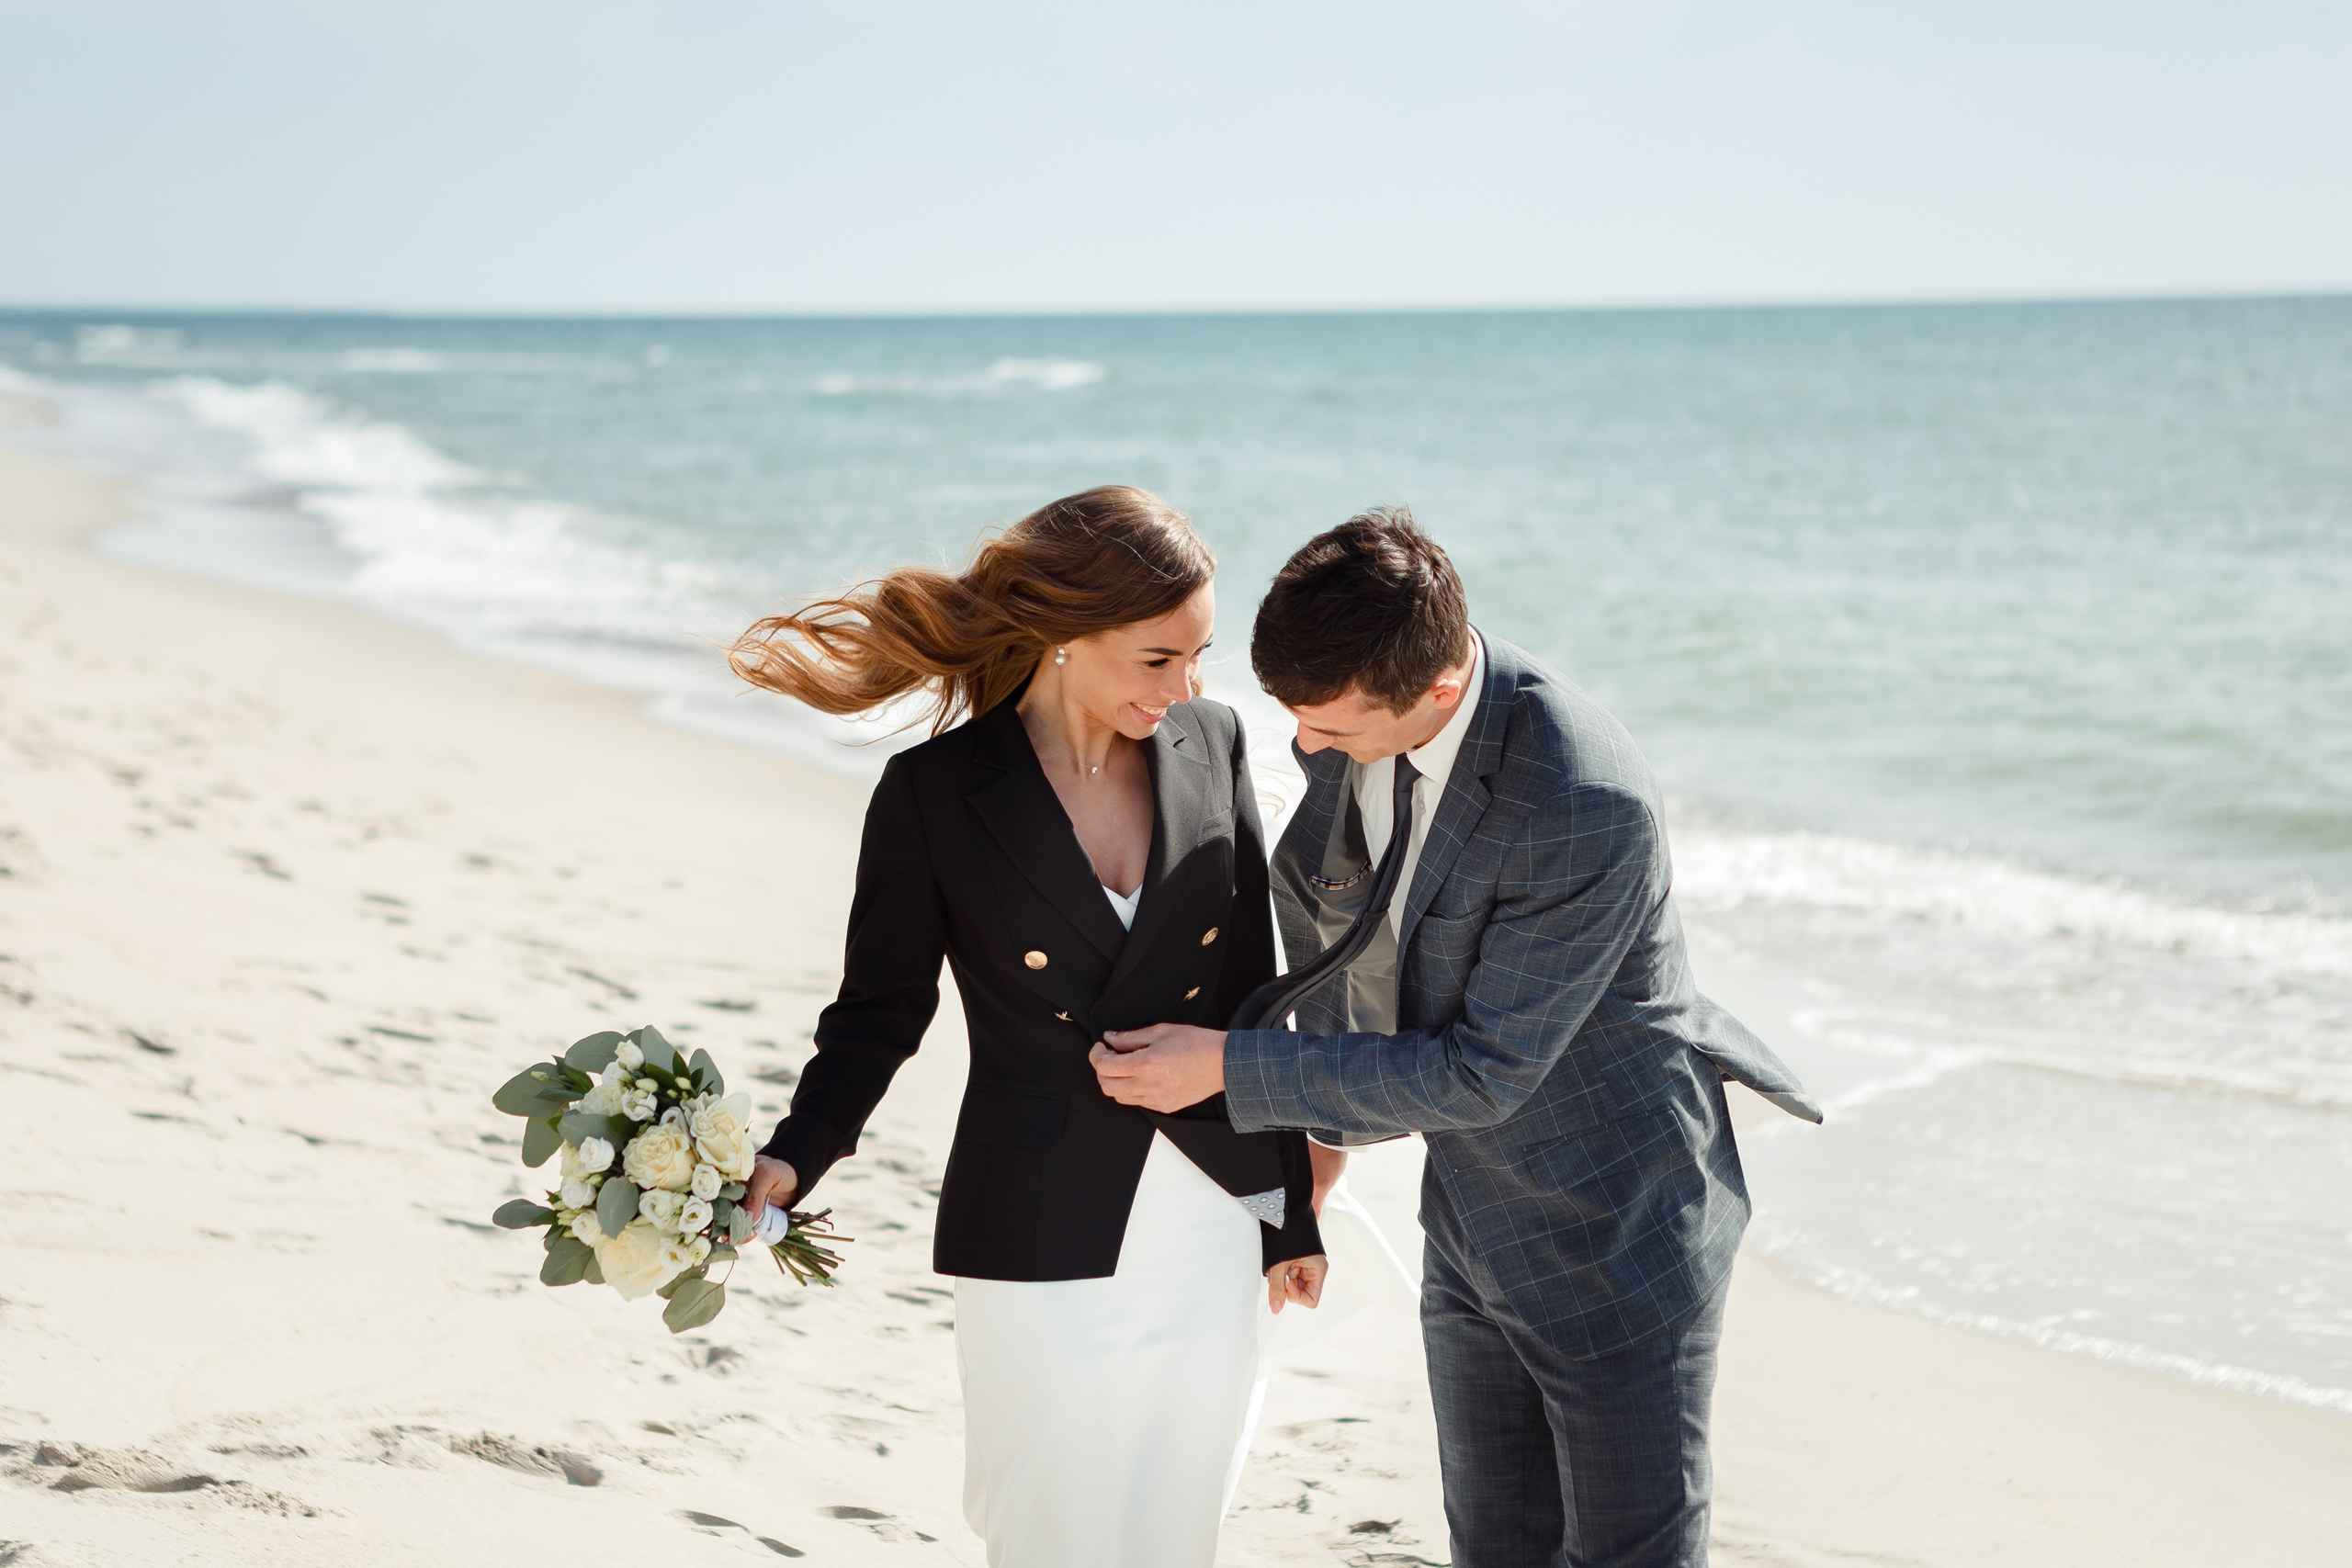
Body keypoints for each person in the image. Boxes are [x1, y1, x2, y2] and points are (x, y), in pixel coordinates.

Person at [1091, 507, 1823, 1568]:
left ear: (1437, 690)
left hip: (1615, 1231)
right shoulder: (1362, 711)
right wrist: (1320, 1151)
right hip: (1471, 1222)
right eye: (1295, 716)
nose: (1306, 746)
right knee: (1494, 1545)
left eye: (1329, 727)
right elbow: (1346, 936)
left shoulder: (1580, 800)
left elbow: (1484, 1071)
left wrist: (1228, 1068)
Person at [730, 486, 1332, 1568]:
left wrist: (1290, 1211)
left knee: (1170, 1518)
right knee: (1049, 1518)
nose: (1185, 687)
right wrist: (797, 1151)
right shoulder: (934, 793)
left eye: (1196, 657)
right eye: (1157, 659)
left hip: (1205, 1205)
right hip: (1034, 1206)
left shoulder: (1214, 743)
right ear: (1062, 637)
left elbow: (1254, 987)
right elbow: (882, 1005)